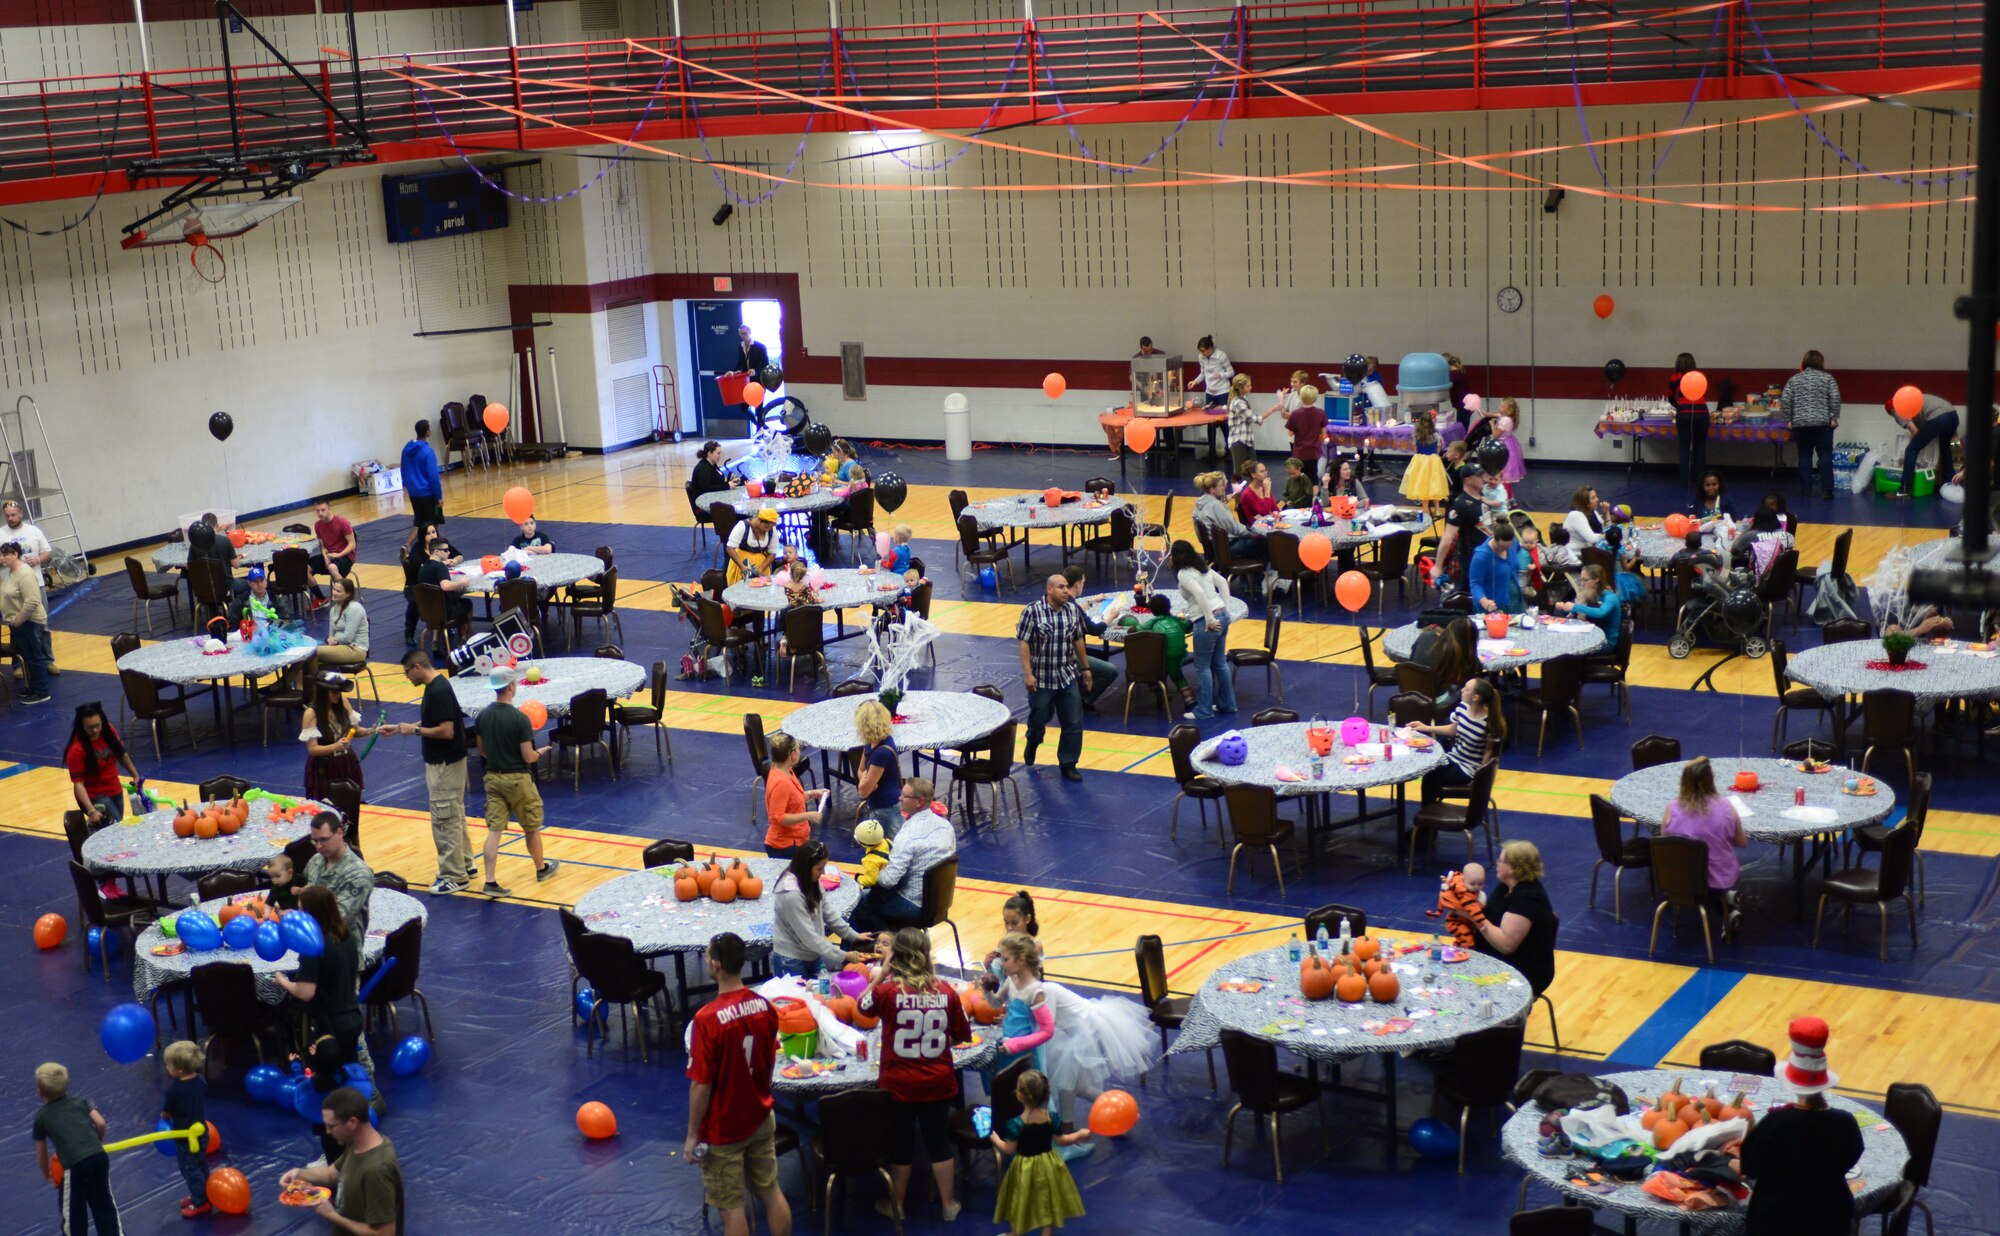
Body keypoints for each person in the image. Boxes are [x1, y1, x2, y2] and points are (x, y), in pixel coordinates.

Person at [862, 926, 973, 1224]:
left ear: (897, 956)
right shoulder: (947, 992)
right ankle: (948, 1204)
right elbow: (963, 1034)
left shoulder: (887, 991)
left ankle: (897, 1205)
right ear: (926, 955)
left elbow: (863, 1007)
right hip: (938, 1080)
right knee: (938, 1142)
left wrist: (883, 972)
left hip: (899, 1084)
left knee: (901, 1144)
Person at [684, 931, 790, 1236]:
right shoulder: (764, 1007)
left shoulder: (707, 1019)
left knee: (732, 1210)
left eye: (706, 954)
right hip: (760, 1115)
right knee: (771, 1192)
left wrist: (692, 1135)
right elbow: (769, 1058)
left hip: (724, 1128)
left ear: (716, 965)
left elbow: (700, 1086)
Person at [1739, 1017, 1863, 1236]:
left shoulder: (1775, 1123)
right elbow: (1849, 1158)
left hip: (1776, 1224)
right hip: (1830, 1222)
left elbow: (1750, 1168)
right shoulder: (1846, 1123)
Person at [271, 885, 364, 1163]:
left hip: (328, 1028)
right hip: (351, 1019)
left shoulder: (313, 947)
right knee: (347, 1089)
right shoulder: (345, 935)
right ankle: (354, 1150)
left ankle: (334, 1158)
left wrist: (284, 982)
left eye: (301, 909)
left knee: (326, 1093)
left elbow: (306, 992)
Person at [392, 650, 473, 895]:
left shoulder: (437, 691)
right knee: (456, 814)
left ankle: (454, 875)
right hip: (453, 763)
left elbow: (446, 730)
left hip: (444, 765)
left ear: (417, 667)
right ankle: (465, 863)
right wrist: (401, 728)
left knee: (445, 819)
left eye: (407, 672)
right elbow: (436, 721)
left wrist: (415, 732)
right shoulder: (438, 685)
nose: (407, 677)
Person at [474, 668, 558, 896]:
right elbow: (527, 757)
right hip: (518, 780)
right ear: (511, 687)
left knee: (494, 831)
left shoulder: (482, 716)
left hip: (493, 778)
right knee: (531, 827)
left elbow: (482, 750)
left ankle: (490, 881)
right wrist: (540, 752)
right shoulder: (520, 719)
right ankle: (541, 868)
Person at [280, 1087, 404, 1236]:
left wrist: (332, 1215)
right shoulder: (358, 1143)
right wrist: (299, 1173)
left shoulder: (376, 1170)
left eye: (331, 1126)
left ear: (352, 1122)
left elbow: (385, 1234)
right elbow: (331, 1174)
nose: (327, 1131)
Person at [991, 1068, 1090, 1235]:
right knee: (1048, 1202)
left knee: (1020, 1200)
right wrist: (1079, 1135)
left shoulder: (1015, 1124)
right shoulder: (1052, 1117)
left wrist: (995, 1140)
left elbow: (1009, 1149)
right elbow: (1062, 1141)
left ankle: (1015, 1233)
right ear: (1046, 1094)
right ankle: (1046, 1232)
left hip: (1025, 1168)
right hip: (1049, 1165)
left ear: (1020, 1095)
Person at [1450, 839, 1556, 995]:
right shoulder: (1506, 886)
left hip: (1520, 971)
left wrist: (1473, 917)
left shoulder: (1528, 899)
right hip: (1492, 957)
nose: (1496, 864)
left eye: (1500, 861)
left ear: (1512, 868)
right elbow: (1488, 915)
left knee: (1456, 985)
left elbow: (1506, 945)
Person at [850, 778, 954, 932]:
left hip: (913, 904)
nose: (900, 798)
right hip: (939, 903)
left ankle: (892, 945)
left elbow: (888, 881)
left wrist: (874, 872)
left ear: (919, 802)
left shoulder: (908, 835)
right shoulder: (946, 826)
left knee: (856, 905)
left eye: (904, 796)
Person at [1663, 756, 1749, 939]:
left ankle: (1727, 902)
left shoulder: (1672, 807)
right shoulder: (1725, 806)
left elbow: (1665, 842)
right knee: (1711, 878)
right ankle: (1727, 901)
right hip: (1719, 878)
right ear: (1711, 779)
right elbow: (1742, 842)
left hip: (1681, 881)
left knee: (1698, 875)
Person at [1017, 574, 1091, 780]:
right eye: (1061, 587)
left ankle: (1068, 763)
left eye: (1067, 587)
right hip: (1041, 678)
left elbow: (1078, 640)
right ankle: (1033, 741)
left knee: (1074, 722)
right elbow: (1024, 643)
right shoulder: (1032, 611)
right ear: (1049, 590)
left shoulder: (1072, 610)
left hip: (1067, 676)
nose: (1066, 591)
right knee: (1039, 719)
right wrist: (1028, 674)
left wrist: (1086, 669)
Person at [33, 1061, 120, 1235]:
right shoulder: (80, 1102)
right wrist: (97, 1142)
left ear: (39, 1092)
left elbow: (41, 1152)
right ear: (66, 1087)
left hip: (75, 1166)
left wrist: (46, 1173)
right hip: (99, 1157)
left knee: (73, 1211)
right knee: (104, 1204)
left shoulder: (41, 1117)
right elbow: (101, 1123)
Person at [770, 841, 875, 979]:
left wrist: (853, 936)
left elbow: (829, 914)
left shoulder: (812, 881)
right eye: (819, 869)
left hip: (812, 952)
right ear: (806, 867)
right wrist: (844, 956)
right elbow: (809, 937)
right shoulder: (791, 896)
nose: (823, 872)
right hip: (791, 959)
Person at [1169, 539, 1236, 721]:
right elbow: (1222, 582)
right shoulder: (1201, 567)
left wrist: (1209, 618)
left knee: (1202, 667)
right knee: (1220, 663)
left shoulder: (1184, 573)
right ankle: (1227, 704)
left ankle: (1204, 710)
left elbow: (1199, 593)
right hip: (1222, 613)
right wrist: (1227, 609)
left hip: (1206, 621)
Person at [1411, 677, 1504, 800]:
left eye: (1466, 689)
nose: (1462, 690)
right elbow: (1455, 729)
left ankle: (1430, 813)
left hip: (1469, 768)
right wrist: (1427, 728)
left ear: (1475, 697)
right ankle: (1430, 812)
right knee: (1428, 772)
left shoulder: (1489, 722)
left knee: (1431, 780)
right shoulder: (1462, 708)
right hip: (1453, 757)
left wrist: (1480, 777)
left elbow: (1489, 752)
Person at [64, 702, 141, 828]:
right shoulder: (76, 750)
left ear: (102, 722)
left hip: (114, 788)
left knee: (116, 824)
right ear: (81, 726)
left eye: (97, 726)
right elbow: (78, 785)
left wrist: (136, 776)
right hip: (94, 796)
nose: (95, 730)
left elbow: (122, 755)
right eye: (89, 727)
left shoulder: (108, 731)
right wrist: (91, 811)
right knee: (115, 827)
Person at [1060, 564, 1121, 714]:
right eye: (1083, 583)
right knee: (1110, 671)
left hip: (1057, 650)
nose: (1083, 586)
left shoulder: (1063, 599)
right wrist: (1110, 617)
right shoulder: (1072, 606)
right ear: (1077, 584)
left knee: (1096, 659)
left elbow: (1077, 611)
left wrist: (1092, 601)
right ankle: (1082, 700)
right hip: (1068, 655)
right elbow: (1094, 630)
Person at [1780, 349, 1841, 499]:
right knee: (1825, 456)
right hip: (1823, 424)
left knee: (1805, 456)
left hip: (1801, 424)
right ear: (1821, 362)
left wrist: (1788, 420)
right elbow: (1835, 398)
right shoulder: (1828, 379)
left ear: (1804, 362)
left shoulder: (1794, 380)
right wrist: (1833, 417)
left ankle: (1805, 490)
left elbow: (1785, 400)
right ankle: (1827, 489)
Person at [1114, 593, 1192, 709]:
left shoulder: (1153, 622)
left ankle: (1159, 693)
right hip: (1180, 656)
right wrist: (1184, 619)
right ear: (1169, 607)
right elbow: (1189, 625)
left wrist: (1123, 626)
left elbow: (1134, 630)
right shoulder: (1177, 621)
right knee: (1177, 675)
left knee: (1147, 667)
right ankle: (1190, 699)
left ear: (1152, 611)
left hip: (1163, 661)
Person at [301, 671, 371, 799]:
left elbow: (356, 730)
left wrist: (372, 730)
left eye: (339, 692)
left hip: (346, 763)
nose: (338, 695)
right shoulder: (311, 714)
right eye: (334, 692)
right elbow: (312, 749)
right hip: (324, 767)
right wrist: (335, 746)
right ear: (323, 692)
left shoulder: (343, 703)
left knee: (350, 806)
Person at [161, 1041, 210, 1218]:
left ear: (179, 1069)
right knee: (201, 1165)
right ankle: (205, 1194)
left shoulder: (174, 1091)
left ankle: (200, 1202)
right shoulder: (200, 1080)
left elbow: (167, 1112)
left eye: (168, 1065)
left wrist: (164, 1116)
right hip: (201, 1132)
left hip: (186, 1138)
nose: (167, 1068)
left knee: (189, 1169)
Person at [304, 809, 373, 936]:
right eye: (315, 841)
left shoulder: (358, 873)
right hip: (311, 942)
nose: (319, 846)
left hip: (341, 949)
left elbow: (339, 921)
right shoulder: (315, 861)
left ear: (339, 833)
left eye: (324, 839)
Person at [0, 539, 51, 704]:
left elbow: (32, 601)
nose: (1, 558)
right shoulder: (11, 572)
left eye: (5, 555)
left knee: (35, 657)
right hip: (18, 624)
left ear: (15, 554)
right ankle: (34, 688)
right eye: (0, 555)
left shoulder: (25, 573)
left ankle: (42, 692)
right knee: (28, 657)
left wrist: (18, 621)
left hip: (28, 623)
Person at [764, 731, 829, 858]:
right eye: (799, 749)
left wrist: (811, 794)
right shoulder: (781, 782)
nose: (800, 752)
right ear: (792, 754)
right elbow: (778, 817)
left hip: (795, 841)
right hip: (784, 846)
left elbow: (791, 799)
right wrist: (808, 815)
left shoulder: (785, 771)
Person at [1885, 391, 1960, 500]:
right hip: (1953, 416)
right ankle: (1948, 481)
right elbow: (1920, 431)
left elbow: (1915, 432)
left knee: (1911, 450)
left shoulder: (1897, 409)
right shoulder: (1911, 401)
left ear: (1892, 411)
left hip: (1938, 418)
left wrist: (1908, 459)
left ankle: (1904, 490)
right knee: (1945, 447)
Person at [1430, 464, 1489, 591]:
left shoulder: (1485, 499)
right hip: (1471, 559)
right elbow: (1447, 537)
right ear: (1468, 480)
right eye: (1478, 476)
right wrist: (1438, 566)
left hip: (1488, 557)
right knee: (1471, 596)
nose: (1483, 478)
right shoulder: (1461, 505)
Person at [1192, 470, 1263, 563]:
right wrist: (1253, 533)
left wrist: (1222, 504)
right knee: (1263, 543)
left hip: (1213, 548)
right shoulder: (1216, 506)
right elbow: (1236, 529)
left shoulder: (1200, 504)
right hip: (1227, 548)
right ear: (1212, 489)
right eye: (1221, 486)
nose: (1225, 487)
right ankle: (1260, 576)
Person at [1467, 519, 1529, 614]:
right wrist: (1484, 601)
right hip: (1494, 608)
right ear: (1494, 539)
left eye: (1509, 547)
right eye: (1502, 547)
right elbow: (1475, 584)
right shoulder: (1481, 556)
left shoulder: (1512, 544)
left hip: (1516, 602)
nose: (1506, 549)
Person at [416, 534, 473, 633]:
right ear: (437, 551)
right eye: (446, 550)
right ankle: (464, 636)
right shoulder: (440, 567)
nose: (449, 552)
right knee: (467, 603)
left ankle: (435, 640)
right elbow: (445, 586)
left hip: (427, 611)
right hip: (444, 612)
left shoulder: (423, 567)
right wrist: (461, 583)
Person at [1669, 353, 1711, 485]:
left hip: (1684, 414)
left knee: (1684, 447)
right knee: (1700, 447)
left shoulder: (1674, 378)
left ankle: (1684, 480)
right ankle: (1699, 480)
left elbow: (1670, 397)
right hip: (1701, 413)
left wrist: (1680, 406)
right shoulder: (1699, 377)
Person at [1560, 563, 1624, 643]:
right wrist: (1564, 607)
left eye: (1585, 580)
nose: (1582, 584)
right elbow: (1573, 610)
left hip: (1606, 641)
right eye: (1580, 580)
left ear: (1596, 580)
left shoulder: (1610, 597)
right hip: (1589, 636)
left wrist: (1575, 606)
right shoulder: (1586, 594)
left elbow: (1601, 613)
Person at [1401, 411, 1449, 515]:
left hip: (1420, 461)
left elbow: (1415, 449)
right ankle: (1437, 509)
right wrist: (1433, 456)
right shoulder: (1437, 434)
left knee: (1423, 484)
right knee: (1435, 484)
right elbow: (1439, 449)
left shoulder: (1416, 435)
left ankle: (1425, 508)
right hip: (1433, 460)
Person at [400, 418, 444, 532]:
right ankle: (434, 545)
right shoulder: (428, 452)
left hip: (413, 492)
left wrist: (407, 487)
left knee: (419, 522)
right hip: (427, 493)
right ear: (427, 432)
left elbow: (403, 469)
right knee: (433, 523)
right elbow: (433, 476)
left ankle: (409, 545)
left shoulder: (406, 449)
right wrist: (438, 496)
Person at [318, 576, 370, 668]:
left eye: (338, 591)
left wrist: (334, 639)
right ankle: (295, 681)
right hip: (339, 646)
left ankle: (292, 681)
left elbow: (347, 638)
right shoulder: (333, 610)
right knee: (309, 661)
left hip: (355, 649)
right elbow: (331, 634)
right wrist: (329, 639)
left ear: (348, 594)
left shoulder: (354, 608)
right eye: (334, 589)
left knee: (312, 653)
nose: (334, 593)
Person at [1432, 864, 1486, 949]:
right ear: (1463, 879)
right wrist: (1481, 923)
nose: (1476, 887)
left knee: (1462, 939)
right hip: (1455, 922)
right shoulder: (1463, 892)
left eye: (1480, 884)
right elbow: (1473, 909)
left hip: (1465, 921)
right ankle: (1466, 954)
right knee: (1467, 940)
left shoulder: (1471, 889)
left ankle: (1458, 947)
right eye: (1472, 884)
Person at [726, 506, 782, 585]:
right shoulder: (743, 525)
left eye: (770, 528)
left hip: (762, 566)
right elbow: (730, 548)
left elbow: (772, 553)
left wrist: (761, 569)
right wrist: (742, 566)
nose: (767, 530)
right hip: (741, 564)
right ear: (759, 521)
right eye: (765, 527)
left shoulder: (772, 530)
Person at [1, 499, 53, 582]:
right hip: (11, 585)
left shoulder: (34, 531)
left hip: (35, 582)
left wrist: (37, 560)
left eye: (13, 515)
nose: (10, 518)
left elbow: (47, 552)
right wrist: (7, 561)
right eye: (7, 516)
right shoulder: (1, 533)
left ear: (21, 514)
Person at [312, 499, 357, 582]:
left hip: (346, 556)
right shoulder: (317, 525)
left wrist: (339, 555)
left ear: (329, 508)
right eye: (317, 511)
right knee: (305, 567)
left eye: (323, 510)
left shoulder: (342, 522)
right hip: (330, 556)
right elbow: (323, 546)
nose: (320, 513)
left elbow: (352, 544)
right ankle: (319, 595)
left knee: (332, 567)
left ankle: (343, 593)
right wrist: (325, 557)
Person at [1223, 373, 1259, 476]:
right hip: (1238, 440)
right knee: (1238, 472)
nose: (1251, 387)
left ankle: (1254, 491)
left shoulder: (1244, 399)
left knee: (1254, 468)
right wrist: (1272, 410)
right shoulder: (1238, 402)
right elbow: (1253, 418)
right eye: (1248, 386)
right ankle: (1236, 492)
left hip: (1247, 439)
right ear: (1241, 388)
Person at [1284, 384, 1327, 469]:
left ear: (1301, 397)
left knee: (1300, 474)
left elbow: (1290, 433)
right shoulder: (1320, 413)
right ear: (1315, 398)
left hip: (1300, 451)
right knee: (1313, 474)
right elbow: (1323, 432)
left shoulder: (1295, 414)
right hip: (1314, 450)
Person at [1191, 335, 1234, 409]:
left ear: (1210, 348)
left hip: (1222, 391)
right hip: (1209, 391)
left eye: (1203, 351)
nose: (1202, 353)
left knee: (1222, 415)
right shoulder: (1201, 357)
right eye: (1200, 351)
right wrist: (1195, 381)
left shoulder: (1221, 355)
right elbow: (1203, 373)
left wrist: (1221, 375)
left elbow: (1231, 372)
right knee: (1209, 414)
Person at [854, 820, 893, 888]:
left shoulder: (870, 860)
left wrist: (858, 878)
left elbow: (870, 881)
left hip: (883, 885)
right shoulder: (886, 841)